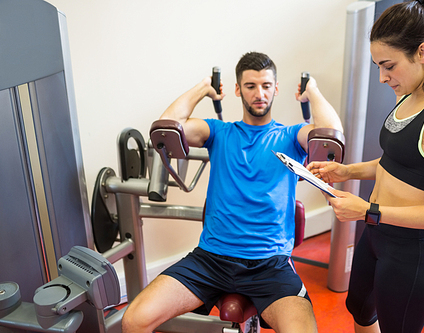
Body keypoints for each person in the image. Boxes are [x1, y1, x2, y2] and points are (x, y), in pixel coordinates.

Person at [121, 51, 343, 333]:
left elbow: (330, 132)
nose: (259, 93)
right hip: (210, 259)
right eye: (250, 86)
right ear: (238, 89)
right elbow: (167, 127)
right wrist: (204, 87)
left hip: (270, 264)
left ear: (276, 89)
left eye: (265, 85)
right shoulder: (218, 132)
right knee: (134, 320)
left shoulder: (291, 136)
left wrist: (311, 90)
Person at [307, 1, 424, 332]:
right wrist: (348, 172)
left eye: (388, 66)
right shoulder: (411, 94)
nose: (383, 77)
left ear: (422, 52)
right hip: (376, 234)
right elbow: (397, 161)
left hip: (411, 251)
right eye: (378, 67)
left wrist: (369, 211)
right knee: (361, 312)